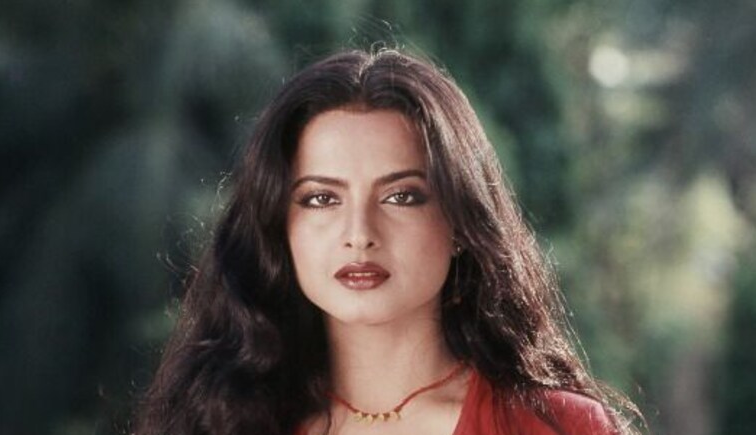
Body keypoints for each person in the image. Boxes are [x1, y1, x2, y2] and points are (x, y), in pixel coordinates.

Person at [133, 48, 642, 435]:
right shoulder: (214, 424)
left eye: (401, 197)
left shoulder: (557, 427)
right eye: (321, 199)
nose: (359, 234)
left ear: (461, 224)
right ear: (278, 227)